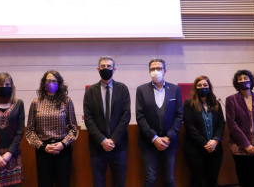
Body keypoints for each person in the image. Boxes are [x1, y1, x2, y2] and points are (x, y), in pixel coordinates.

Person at [83, 56, 131, 187]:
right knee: (98, 183)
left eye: (109, 66)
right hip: (98, 147)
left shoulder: (123, 89)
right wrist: (103, 141)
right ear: (98, 69)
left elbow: (126, 116)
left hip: (119, 146)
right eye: (103, 66)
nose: (106, 69)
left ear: (114, 69)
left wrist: (113, 140)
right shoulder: (90, 91)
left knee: (119, 182)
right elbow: (88, 118)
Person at [136, 58, 183, 187]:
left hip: (170, 142)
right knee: (150, 179)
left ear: (165, 71)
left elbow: (179, 115)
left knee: (169, 179)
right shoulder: (141, 90)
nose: (156, 71)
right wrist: (154, 138)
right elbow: (140, 117)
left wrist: (169, 137)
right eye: (153, 69)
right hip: (149, 142)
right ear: (149, 71)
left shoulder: (175, 89)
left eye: (159, 68)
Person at [26, 70, 78, 187]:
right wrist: (43, 146)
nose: (51, 83)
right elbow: (30, 131)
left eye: (54, 81)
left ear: (59, 84)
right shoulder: (36, 103)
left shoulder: (67, 102)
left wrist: (63, 144)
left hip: (63, 150)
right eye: (48, 81)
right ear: (44, 84)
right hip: (43, 150)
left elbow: (74, 129)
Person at [183, 76, 225, 187]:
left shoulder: (216, 104)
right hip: (195, 149)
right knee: (197, 180)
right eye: (199, 85)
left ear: (209, 87)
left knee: (212, 179)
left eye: (205, 85)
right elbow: (189, 126)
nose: (202, 87)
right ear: (195, 88)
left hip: (215, 149)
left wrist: (215, 141)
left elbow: (221, 124)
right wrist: (205, 144)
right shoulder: (188, 104)